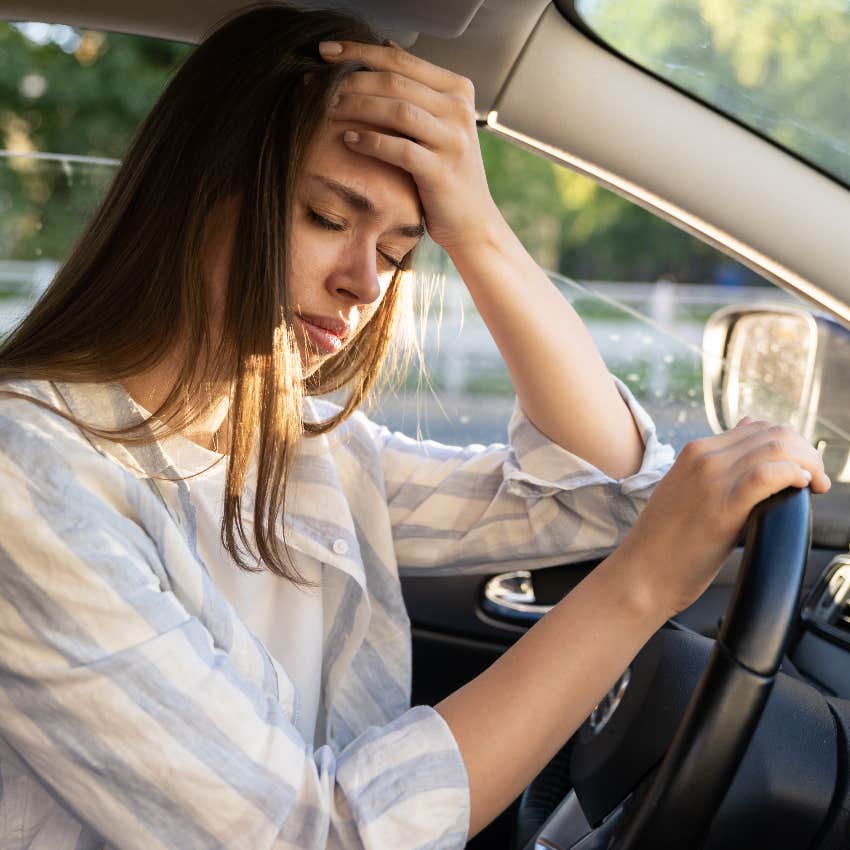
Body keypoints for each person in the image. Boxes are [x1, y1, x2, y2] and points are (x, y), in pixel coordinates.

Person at [0, 4, 829, 849]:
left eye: (398, 253)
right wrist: (639, 589)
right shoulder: (27, 478)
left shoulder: (305, 444)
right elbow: (311, 837)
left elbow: (598, 491)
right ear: (194, 193)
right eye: (327, 218)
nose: (365, 282)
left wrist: (477, 226)